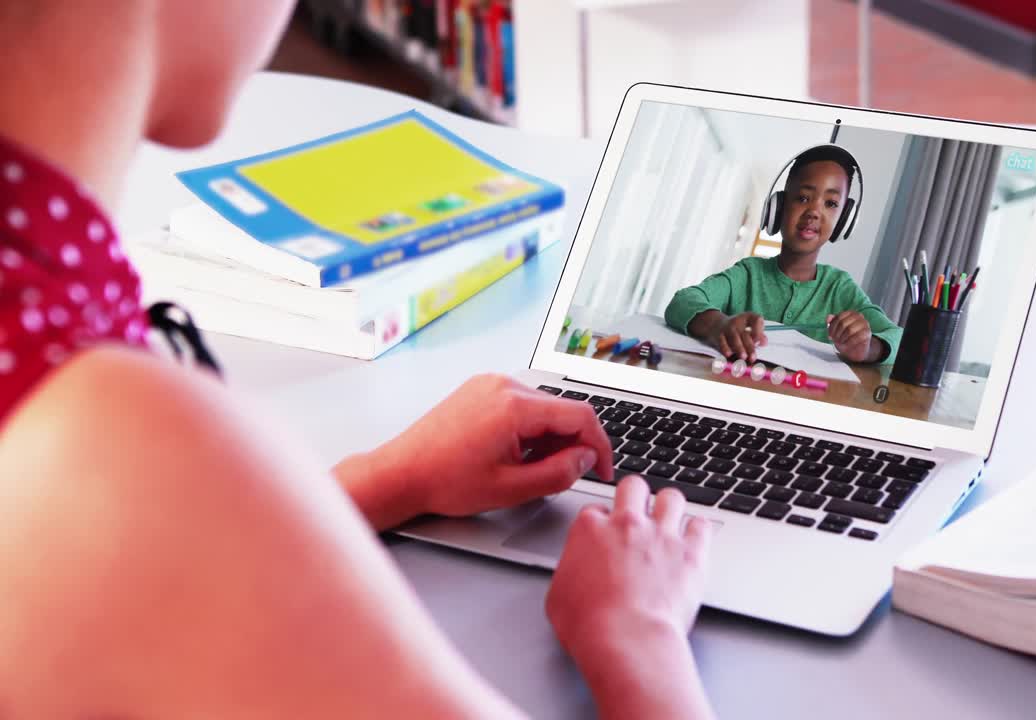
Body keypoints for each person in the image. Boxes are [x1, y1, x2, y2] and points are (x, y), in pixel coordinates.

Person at [0, 2, 715, 717]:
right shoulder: (121, 444)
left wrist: (386, 480)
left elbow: (144, 584)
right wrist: (640, 639)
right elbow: (147, 531)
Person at [665, 145, 902, 366]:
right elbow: (683, 301)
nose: (814, 212)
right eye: (802, 198)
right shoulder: (747, 274)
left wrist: (869, 347)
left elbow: (900, 339)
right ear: (778, 206)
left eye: (830, 203)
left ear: (844, 221)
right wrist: (719, 325)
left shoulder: (840, 289)